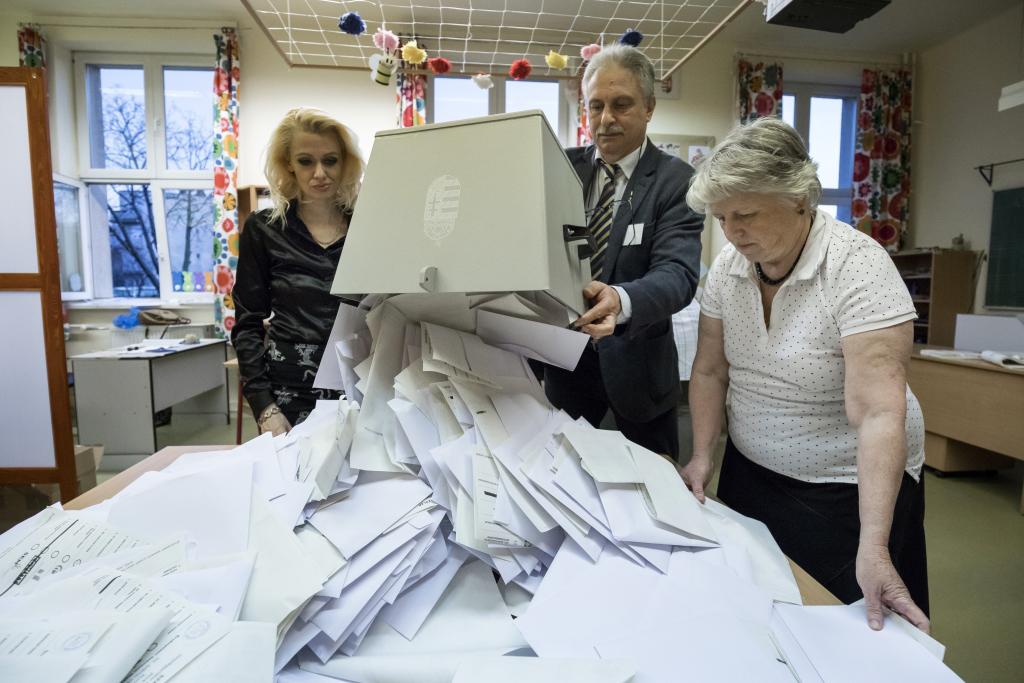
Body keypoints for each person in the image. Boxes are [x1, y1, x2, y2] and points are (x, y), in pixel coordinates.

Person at [680, 117, 930, 632]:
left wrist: (874, 543)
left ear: (800, 198)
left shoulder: (858, 267)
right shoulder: (730, 266)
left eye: (745, 214)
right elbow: (709, 370)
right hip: (753, 468)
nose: (731, 232)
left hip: (843, 485)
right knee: (760, 611)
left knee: (838, 625)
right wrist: (704, 455)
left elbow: (880, 412)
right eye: (721, 218)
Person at [543, 44, 704, 459]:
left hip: (640, 372)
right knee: (562, 478)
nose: (606, 119)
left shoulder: (675, 181)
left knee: (652, 492)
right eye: (595, 106)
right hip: (567, 366)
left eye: (621, 104)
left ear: (649, 107)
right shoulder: (561, 168)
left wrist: (622, 299)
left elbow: (678, 274)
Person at [232, 108, 365, 436]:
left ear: (344, 162)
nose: (320, 173)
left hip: (360, 386)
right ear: (288, 163)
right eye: (306, 161)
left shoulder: (369, 227)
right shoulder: (264, 229)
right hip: (288, 394)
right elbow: (247, 325)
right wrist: (264, 406)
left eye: (330, 160)